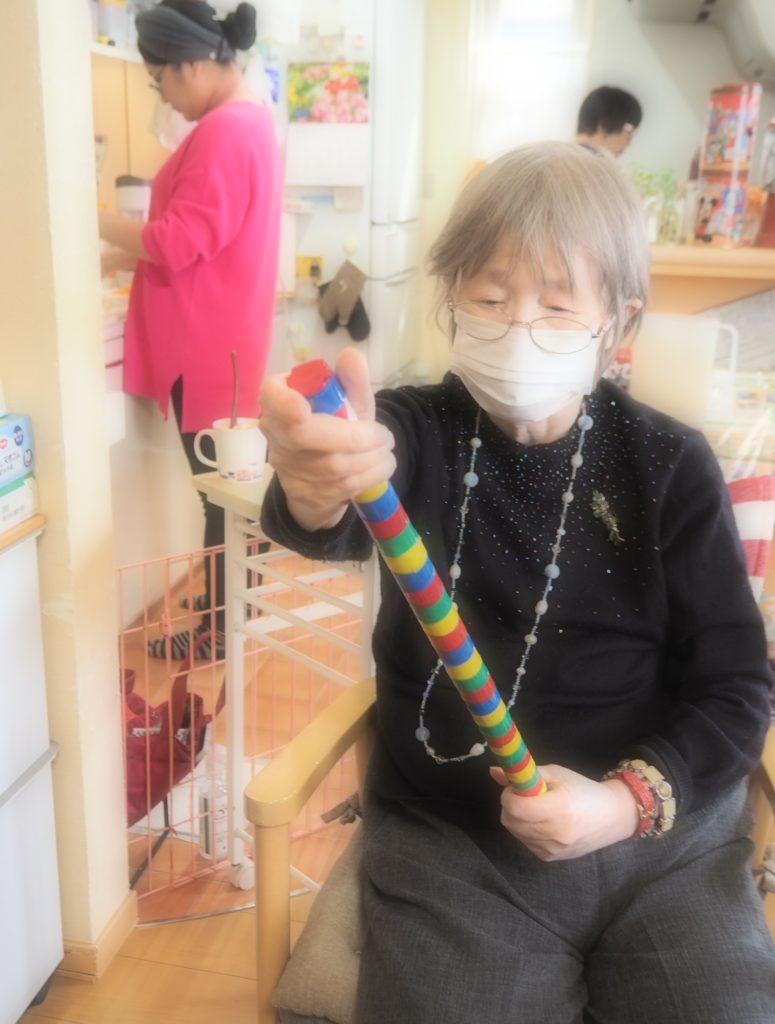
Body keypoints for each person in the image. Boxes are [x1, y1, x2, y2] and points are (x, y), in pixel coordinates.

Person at [259, 141, 775, 1022]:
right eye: (490, 296)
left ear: (618, 322)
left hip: (662, 845)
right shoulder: (415, 431)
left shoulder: (667, 463)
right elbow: (342, 495)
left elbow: (736, 686)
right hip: (454, 844)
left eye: (557, 302)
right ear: (451, 298)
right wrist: (314, 485)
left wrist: (622, 805)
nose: (518, 323)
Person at [98, 0, 282, 659]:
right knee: (229, 488)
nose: (164, 98)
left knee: (221, 495)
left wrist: (97, 219)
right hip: (223, 337)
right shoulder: (247, 122)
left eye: (159, 81)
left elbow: (178, 240)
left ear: (192, 65)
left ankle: (218, 635)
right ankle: (233, 610)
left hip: (204, 345)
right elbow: (202, 237)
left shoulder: (224, 130)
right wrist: (121, 250)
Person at [576, 84, 642, 157]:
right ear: (604, 123)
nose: (628, 143)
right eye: (629, 131)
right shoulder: (584, 161)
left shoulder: (572, 155)